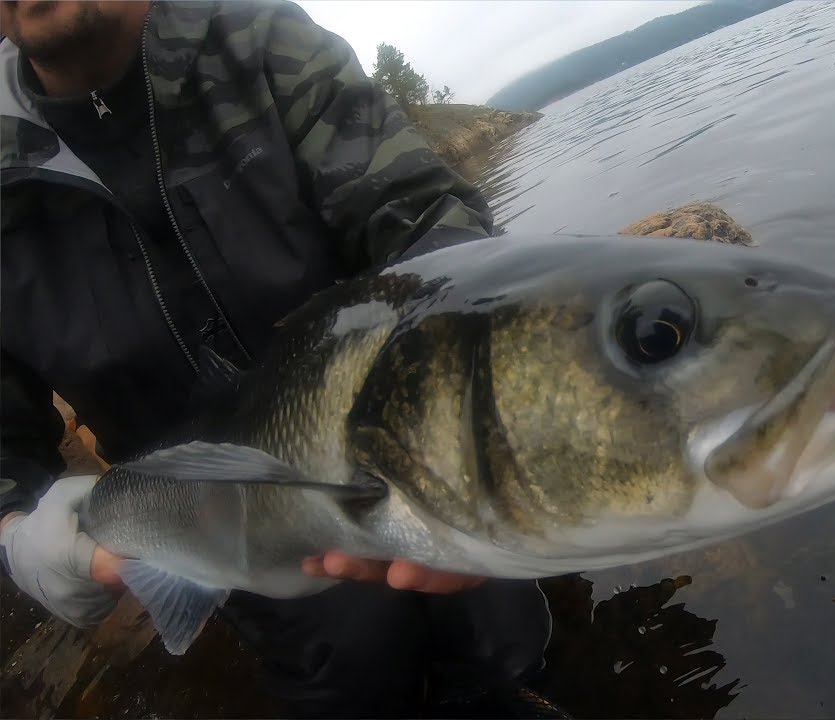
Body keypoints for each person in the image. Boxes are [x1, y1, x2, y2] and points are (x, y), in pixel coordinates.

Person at [0, 1, 551, 717]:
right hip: (210, 530)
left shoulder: (256, 39)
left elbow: (422, 224)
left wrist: (482, 396)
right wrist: (33, 545)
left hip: (397, 451)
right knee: (350, 676)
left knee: (508, 639)